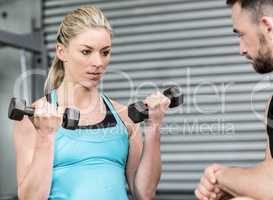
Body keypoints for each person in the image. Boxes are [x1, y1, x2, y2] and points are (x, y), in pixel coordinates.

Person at [13, 5, 170, 200]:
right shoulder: (34, 117)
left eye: (105, 52)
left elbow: (144, 194)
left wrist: (154, 126)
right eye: (86, 52)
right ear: (62, 52)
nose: (98, 63)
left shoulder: (123, 116)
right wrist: (46, 137)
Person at [194, 0, 273, 199]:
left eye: (241, 34)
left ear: (268, 27)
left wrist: (220, 176)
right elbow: (270, 190)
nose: (241, 49)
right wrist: (233, 190)